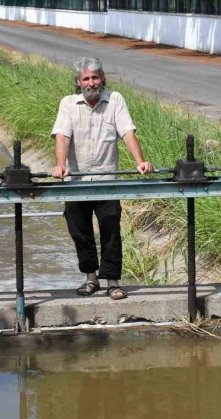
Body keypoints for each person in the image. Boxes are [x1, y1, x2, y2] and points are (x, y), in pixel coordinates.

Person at [50, 57, 154, 300]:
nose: (91, 82)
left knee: (110, 229)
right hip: (76, 183)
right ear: (78, 82)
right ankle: (90, 279)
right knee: (80, 231)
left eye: (95, 77)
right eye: (86, 78)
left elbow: (127, 132)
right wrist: (59, 165)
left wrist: (140, 161)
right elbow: (62, 136)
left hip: (107, 179)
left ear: (102, 79)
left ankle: (113, 283)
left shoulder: (115, 100)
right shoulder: (68, 104)